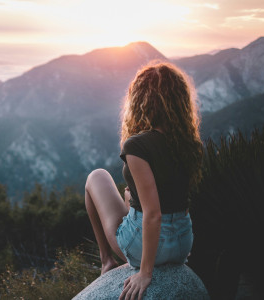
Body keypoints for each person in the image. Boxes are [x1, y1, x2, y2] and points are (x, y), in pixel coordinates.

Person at [84, 61, 204, 300]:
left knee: (96, 177)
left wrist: (145, 273)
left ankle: (106, 261)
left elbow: (153, 214)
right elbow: (172, 197)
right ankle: (114, 255)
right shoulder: (189, 144)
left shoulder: (136, 145)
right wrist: (132, 200)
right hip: (182, 243)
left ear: (140, 101)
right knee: (131, 200)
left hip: (145, 247)